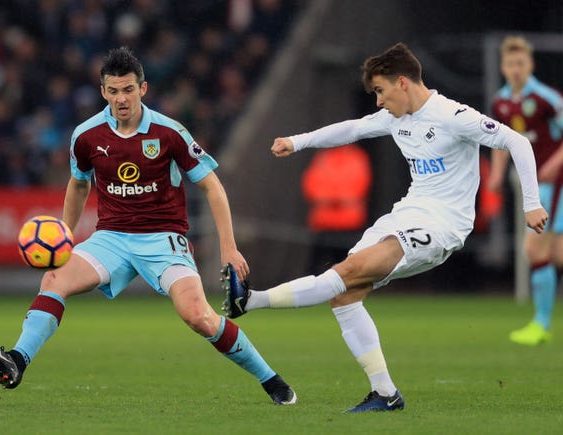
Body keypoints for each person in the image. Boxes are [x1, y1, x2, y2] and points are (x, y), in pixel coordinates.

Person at [221, 42, 547, 412]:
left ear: (403, 82)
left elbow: (516, 141)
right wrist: (297, 142)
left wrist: (531, 204)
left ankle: (251, 301)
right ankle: (385, 394)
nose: (378, 101)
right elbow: (353, 129)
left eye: (380, 90)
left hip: (443, 225)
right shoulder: (396, 118)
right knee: (344, 294)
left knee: (348, 271)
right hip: (405, 214)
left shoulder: (452, 115)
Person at [0, 46, 297, 405]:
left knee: (199, 317)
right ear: (103, 92)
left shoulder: (169, 132)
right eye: (113, 91)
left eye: (128, 90)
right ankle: (15, 362)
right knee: (54, 278)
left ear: (143, 89)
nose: (121, 99)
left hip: (164, 240)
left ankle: (271, 380)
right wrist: (63, 234)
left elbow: (212, 186)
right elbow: (79, 184)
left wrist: (229, 247)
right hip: (110, 238)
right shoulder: (87, 136)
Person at [488, 36, 563, 346]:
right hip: (537, 185)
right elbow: (501, 142)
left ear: (530, 65)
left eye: (521, 63)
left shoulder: (547, 98)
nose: (516, 69)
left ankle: (541, 324)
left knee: (534, 249)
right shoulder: (500, 102)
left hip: (556, 181)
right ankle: (541, 323)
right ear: (503, 67)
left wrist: (555, 163)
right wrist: (496, 175)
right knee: (557, 253)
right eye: (510, 64)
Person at [301, 143, 372, 273]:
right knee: (315, 268)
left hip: (348, 223)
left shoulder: (356, 158)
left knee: (348, 267)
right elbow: (311, 183)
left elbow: (360, 184)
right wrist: (331, 198)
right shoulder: (323, 158)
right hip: (324, 222)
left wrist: (334, 198)